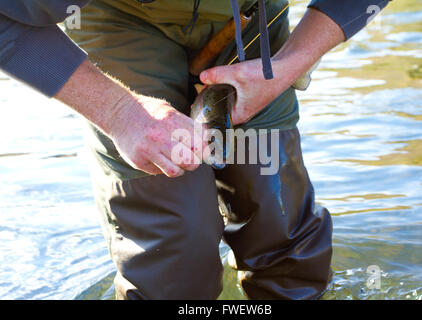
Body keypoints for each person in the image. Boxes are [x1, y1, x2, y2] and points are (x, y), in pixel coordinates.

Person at [0, 0, 390, 299]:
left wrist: (290, 64)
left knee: (278, 219)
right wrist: (120, 112)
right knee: (173, 250)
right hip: (118, 17)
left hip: (248, 14)